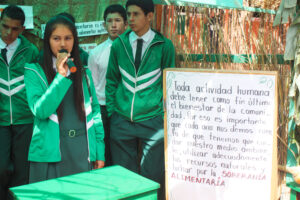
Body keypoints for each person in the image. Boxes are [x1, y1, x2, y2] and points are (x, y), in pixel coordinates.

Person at [105, 0, 175, 199]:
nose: (131, 19)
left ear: (150, 16)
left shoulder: (164, 45)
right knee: (123, 176)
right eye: (129, 14)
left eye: (136, 14)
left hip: (153, 121)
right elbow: (111, 80)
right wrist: (113, 112)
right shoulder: (119, 44)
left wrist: (163, 115)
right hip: (121, 120)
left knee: (152, 176)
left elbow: (169, 83)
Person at [24, 15, 105, 183]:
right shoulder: (34, 71)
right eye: (56, 38)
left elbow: (95, 112)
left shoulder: (84, 72)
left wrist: (99, 150)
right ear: (47, 41)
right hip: (51, 153)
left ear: (75, 40)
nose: (62, 44)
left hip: (83, 151)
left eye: (68, 38)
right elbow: (40, 111)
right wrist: (61, 77)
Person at [0, 5, 39, 199]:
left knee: (23, 170)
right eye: (5, 26)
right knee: (1, 168)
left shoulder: (30, 51)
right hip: (1, 121)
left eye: (15, 29)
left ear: (22, 29)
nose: (8, 32)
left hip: (25, 119)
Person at [88, 4, 127, 166]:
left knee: (122, 148)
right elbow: (93, 85)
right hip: (103, 107)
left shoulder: (131, 49)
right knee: (105, 148)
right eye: (109, 21)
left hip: (124, 107)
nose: (113, 25)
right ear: (104, 25)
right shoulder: (96, 53)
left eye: (118, 20)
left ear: (125, 23)